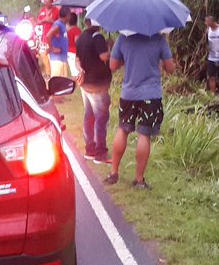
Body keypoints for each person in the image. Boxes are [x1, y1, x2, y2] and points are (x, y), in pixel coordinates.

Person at [105, 33, 176, 189]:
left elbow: (112, 65)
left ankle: (113, 173)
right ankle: (138, 180)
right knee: (144, 134)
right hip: (151, 95)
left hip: (128, 94)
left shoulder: (123, 38)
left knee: (123, 130)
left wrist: (127, 59)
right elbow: (170, 68)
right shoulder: (158, 39)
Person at [75, 17, 112, 163]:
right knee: (101, 118)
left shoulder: (82, 36)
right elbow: (103, 56)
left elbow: (77, 60)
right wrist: (109, 49)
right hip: (98, 84)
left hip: (86, 84)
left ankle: (89, 149)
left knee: (89, 116)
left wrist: (81, 70)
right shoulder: (98, 37)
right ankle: (100, 153)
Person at [46, 7, 71, 78]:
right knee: (57, 80)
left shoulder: (63, 25)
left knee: (63, 80)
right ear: (67, 15)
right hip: (57, 59)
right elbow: (48, 35)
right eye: (69, 16)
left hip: (62, 57)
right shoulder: (58, 25)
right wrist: (52, 48)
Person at [66, 12, 82, 78]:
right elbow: (77, 42)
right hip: (75, 52)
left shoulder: (67, 32)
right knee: (77, 70)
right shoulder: (76, 30)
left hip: (69, 52)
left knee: (73, 69)